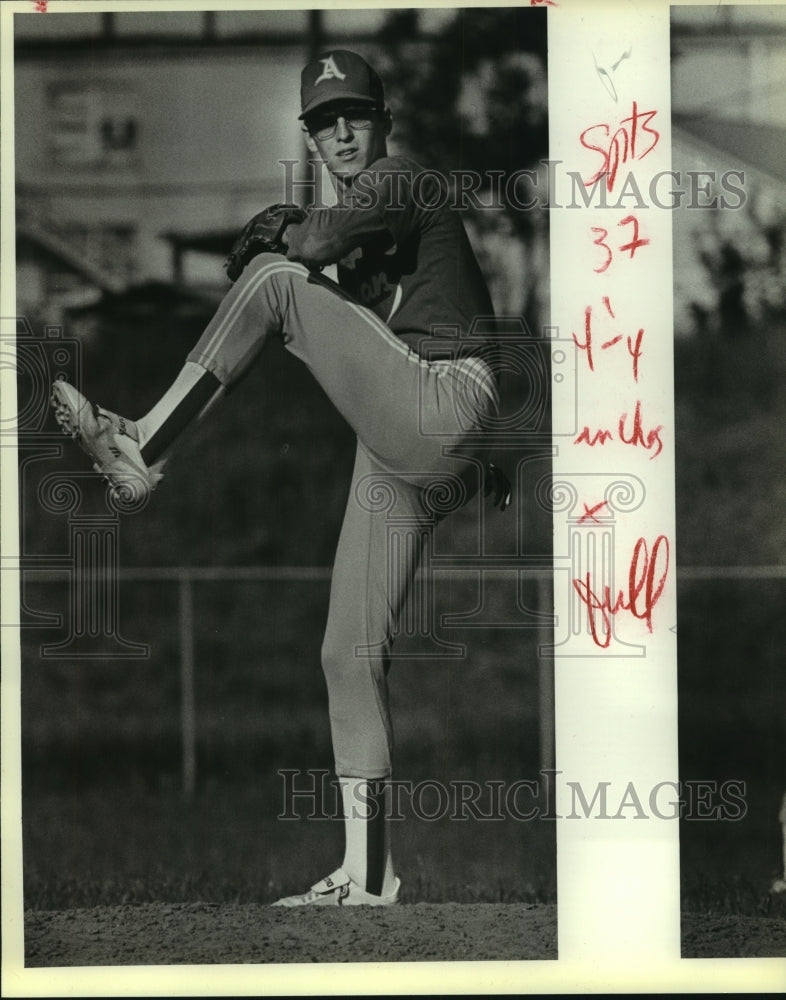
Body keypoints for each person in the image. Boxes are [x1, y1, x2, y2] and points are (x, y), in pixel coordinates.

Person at [51, 49, 508, 907]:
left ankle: (143, 446)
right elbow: (451, 303)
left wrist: (287, 234)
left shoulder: (401, 179)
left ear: (383, 120)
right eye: (323, 120)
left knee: (274, 281)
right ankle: (368, 876)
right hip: (414, 433)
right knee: (346, 650)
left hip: (441, 402)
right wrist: (499, 454)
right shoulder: (369, 212)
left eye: (355, 115)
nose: (341, 131)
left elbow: (318, 247)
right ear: (308, 132)